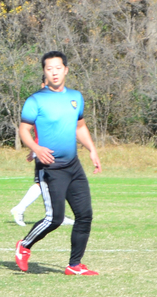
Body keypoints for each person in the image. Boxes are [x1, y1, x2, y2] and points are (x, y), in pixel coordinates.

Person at [15, 51, 101, 275]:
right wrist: (36, 148)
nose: (54, 72)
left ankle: (74, 265)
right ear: (44, 72)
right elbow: (24, 130)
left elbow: (79, 127)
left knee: (85, 215)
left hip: (73, 166)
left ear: (66, 70)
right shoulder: (35, 100)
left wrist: (92, 149)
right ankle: (24, 246)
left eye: (58, 68)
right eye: (49, 69)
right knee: (55, 218)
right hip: (50, 168)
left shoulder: (76, 97)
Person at [11, 77, 75, 227]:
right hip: (46, 151)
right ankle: (20, 208)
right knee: (43, 183)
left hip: (54, 150)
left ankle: (57, 215)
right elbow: (27, 128)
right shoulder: (37, 103)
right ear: (42, 85)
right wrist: (35, 148)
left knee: (57, 182)